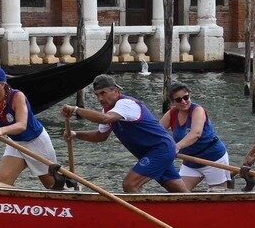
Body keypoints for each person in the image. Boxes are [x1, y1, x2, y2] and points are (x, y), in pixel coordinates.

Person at [61, 75, 189, 193]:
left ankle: (139, 211)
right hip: (152, 153)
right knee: (180, 192)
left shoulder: (126, 104)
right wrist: (76, 134)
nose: (100, 98)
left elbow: (105, 119)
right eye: (97, 95)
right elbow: (100, 136)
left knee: (130, 184)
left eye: (103, 93)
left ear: (116, 91)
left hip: (161, 149)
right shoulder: (108, 110)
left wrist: (76, 110)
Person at [159, 83, 231, 191]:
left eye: (186, 97)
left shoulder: (197, 110)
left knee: (218, 194)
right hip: (190, 161)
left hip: (213, 159)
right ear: (173, 102)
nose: (184, 102)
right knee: (178, 192)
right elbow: (157, 132)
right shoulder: (171, 114)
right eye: (178, 100)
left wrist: (177, 147)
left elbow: (195, 134)